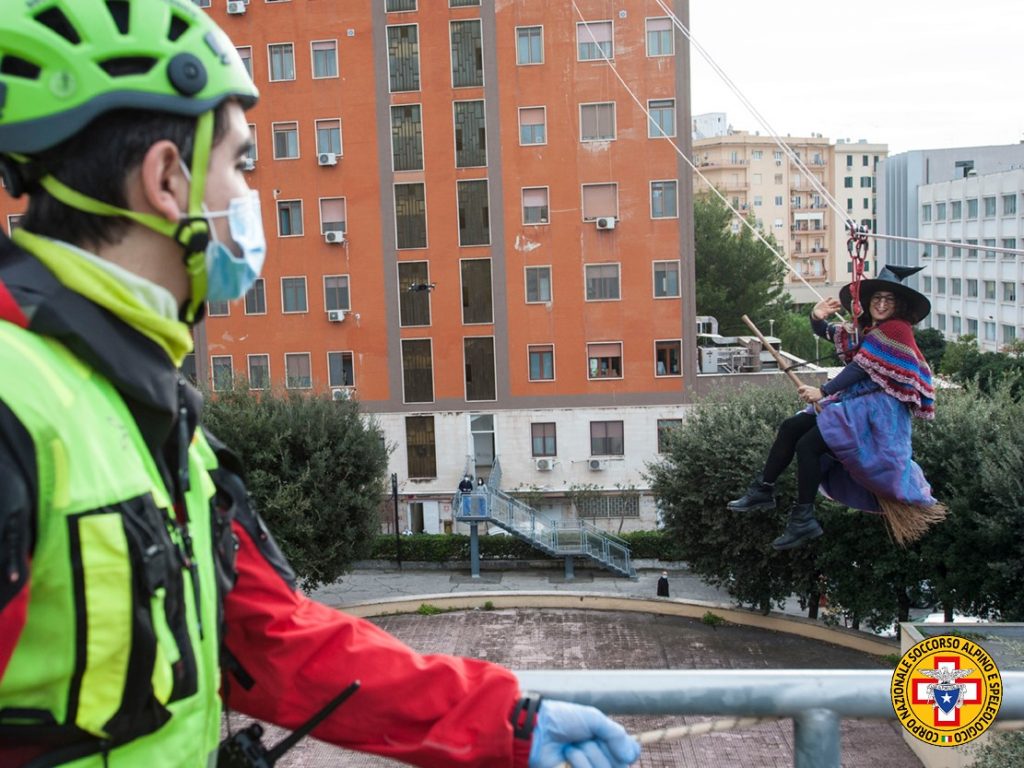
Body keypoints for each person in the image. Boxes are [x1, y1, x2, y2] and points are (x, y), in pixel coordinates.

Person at [0, 3, 641, 767]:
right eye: (239, 164)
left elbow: (271, 639)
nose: (249, 195)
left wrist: (505, 723)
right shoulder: (19, 401)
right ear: (167, 178)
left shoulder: (144, 405)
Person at [727, 265, 945, 550]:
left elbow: (859, 366)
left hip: (877, 413)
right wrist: (815, 317)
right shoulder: (870, 329)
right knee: (792, 427)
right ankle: (763, 489)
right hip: (855, 404)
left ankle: (803, 518)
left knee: (809, 445)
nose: (880, 304)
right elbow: (833, 334)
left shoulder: (896, 329)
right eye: (876, 298)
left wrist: (823, 391)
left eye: (888, 300)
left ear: (899, 305)